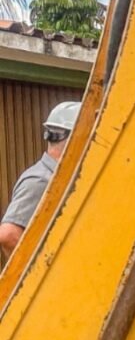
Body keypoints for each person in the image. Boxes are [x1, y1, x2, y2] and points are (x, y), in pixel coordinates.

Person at [0, 101, 81, 259]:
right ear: (76, 138)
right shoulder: (41, 180)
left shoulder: (60, 179)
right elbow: (8, 235)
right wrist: (44, 269)